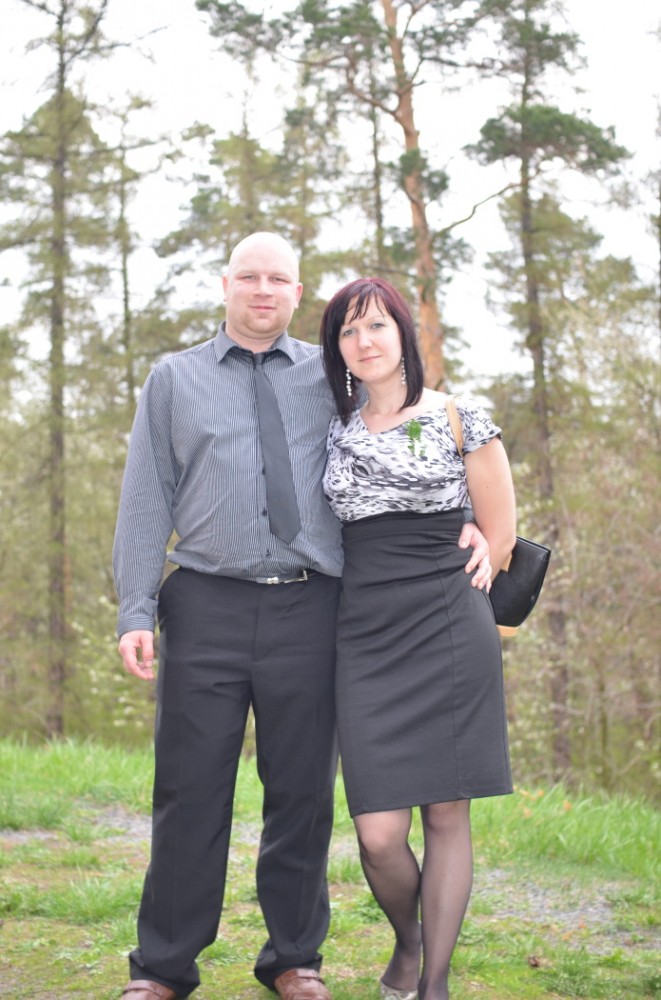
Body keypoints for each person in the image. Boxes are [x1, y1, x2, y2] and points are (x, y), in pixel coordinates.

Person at [113, 233, 492, 1000]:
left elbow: (405, 439)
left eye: (277, 279)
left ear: (295, 291)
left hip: (314, 606)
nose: (262, 290)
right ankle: (162, 967)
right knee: (189, 789)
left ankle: (293, 958)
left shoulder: (334, 375)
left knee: (302, 792)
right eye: (248, 277)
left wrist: (471, 523)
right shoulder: (174, 379)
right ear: (224, 284)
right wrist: (135, 606)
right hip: (206, 601)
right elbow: (146, 497)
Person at [319, 277, 516, 1000]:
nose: (363, 341)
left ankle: (433, 981)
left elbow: (499, 535)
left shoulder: (460, 417)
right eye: (348, 331)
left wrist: (480, 539)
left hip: (448, 624)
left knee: (445, 812)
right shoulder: (330, 426)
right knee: (377, 833)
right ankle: (409, 938)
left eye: (376, 325)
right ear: (336, 349)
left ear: (403, 333)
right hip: (365, 631)